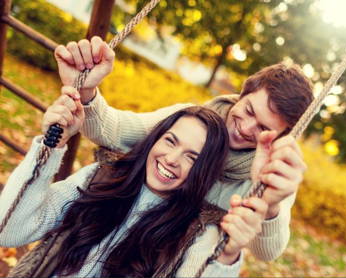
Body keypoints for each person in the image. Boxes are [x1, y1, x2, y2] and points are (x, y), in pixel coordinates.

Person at [54, 36, 313, 261]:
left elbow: (268, 253)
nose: (246, 128)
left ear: (280, 136)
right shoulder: (189, 120)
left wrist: (269, 206)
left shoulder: (271, 174)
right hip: (123, 244)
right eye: (247, 110)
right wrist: (86, 92)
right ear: (242, 94)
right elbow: (113, 131)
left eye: (263, 127)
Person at [0, 92, 268, 277]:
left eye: (191, 158)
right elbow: (9, 230)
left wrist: (227, 257)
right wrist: (50, 147)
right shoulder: (100, 178)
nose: (172, 159)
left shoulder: (198, 236)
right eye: (170, 141)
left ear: (203, 172)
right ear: (155, 139)